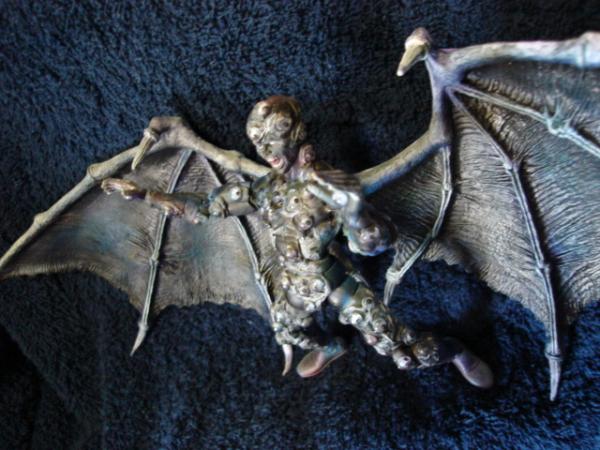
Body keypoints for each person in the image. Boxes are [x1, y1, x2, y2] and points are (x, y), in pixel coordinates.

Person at [102, 96, 493, 388]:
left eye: (275, 137)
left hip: (339, 282)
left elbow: (374, 245)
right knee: (287, 331)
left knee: (403, 354)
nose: (266, 150)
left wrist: (355, 211)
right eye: (258, 140)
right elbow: (205, 208)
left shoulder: (328, 185)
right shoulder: (267, 188)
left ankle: (455, 351)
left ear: (297, 133)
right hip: (294, 283)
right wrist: (146, 194)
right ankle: (332, 347)